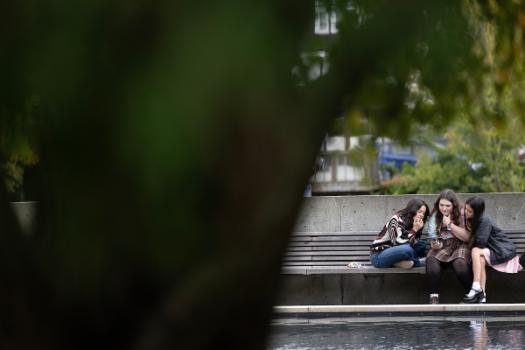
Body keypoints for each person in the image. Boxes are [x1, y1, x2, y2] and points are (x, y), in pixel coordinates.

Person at [463, 196, 523, 303]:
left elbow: (481, 243)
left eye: (469, 211)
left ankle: (476, 286)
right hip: (494, 250)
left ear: (477, 212)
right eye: (466, 209)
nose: (466, 212)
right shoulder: (474, 220)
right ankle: (482, 296)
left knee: (475, 251)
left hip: (502, 250)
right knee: (480, 260)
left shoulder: (484, 220)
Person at [425, 189, 472, 304]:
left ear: (454, 205)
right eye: (441, 205)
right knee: (431, 259)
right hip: (443, 245)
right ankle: (434, 298)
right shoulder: (435, 215)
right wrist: (435, 244)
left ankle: (471, 295)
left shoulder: (462, 214)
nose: (444, 208)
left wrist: (449, 224)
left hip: (460, 244)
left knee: (459, 263)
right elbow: (433, 237)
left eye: (447, 206)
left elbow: (467, 237)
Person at [368, 198, 429, 269]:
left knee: (421, 245)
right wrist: (414, 230)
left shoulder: (414, 223)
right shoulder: (395, 220)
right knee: (407, 250)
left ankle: (397, 263)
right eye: (419, 211)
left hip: (396, 252)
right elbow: (398, 244)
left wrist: (416, 229)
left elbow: (413, 243)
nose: (421, 215)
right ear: (412, 210)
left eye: (423, 213)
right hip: (379, 256)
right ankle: (418, 262)